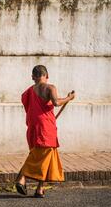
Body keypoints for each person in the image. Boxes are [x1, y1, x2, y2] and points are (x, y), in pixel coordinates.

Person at [16, 65, 75, 197]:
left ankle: (40, 189)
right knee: (39, 155)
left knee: (46, 157)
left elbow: (30, 102)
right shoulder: (50, 87)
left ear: (33, 77)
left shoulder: (29, 91)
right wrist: (69, 98)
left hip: (33, 125)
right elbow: (56, 103)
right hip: (45, 126)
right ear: (47, 76)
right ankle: (22, 177)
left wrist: (62, 99)